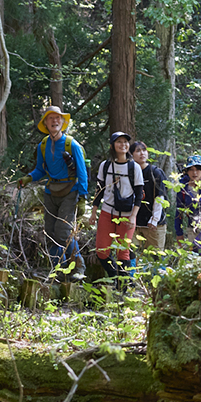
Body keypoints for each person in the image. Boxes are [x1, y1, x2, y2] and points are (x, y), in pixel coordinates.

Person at [18, 106, 89, 280]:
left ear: (63, 123)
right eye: (50, 118)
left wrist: (82, 197)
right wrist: (28, 178)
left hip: (70, 192)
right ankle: (58, 270)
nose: (54, 121)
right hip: (50, 192)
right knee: (50, 233)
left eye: (58, 118)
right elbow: (41, 170)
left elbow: (82, 172)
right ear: (45, 123)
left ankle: (79, 266)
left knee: (63, 232)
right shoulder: (43, 145)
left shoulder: (72, 144)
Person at [93, 131, 140, 283]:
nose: (123, 145)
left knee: (123, 252)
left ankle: (123, 286)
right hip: (107, 212)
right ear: (112, 145)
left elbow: (139, 194)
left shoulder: (134, 167)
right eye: (119, 142)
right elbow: (99, 190)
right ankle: (115, 277)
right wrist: (94, 212)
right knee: (101, 250)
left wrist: (133, 216)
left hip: (127, 214)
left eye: (125, 142)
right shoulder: (105, 166)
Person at [130, 141, 169, 254]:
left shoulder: (155, 172)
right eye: (138, 151)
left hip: (154, 224)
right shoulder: (130, 173)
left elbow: (160, 197)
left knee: (155, 257)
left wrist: (155, 219)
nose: (142, 153)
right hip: (135, 222)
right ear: (131, 154)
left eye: (144, 150)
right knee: (132, 254)